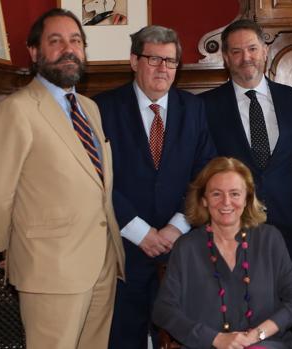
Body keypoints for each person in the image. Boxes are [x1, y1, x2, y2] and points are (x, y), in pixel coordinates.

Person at [0, 8, 125, 348]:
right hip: (49, 270)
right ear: (34, 52)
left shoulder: (90, 108)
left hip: (102, 261)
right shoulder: (17, 110)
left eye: (76, 41)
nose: (68, 49)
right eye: (55, 41)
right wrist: (6, 249)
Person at [93, 25, 216, 349]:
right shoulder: (101, 108)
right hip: (121, 248)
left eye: (171, 61)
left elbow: (204, 175)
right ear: (134, 60)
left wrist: (177, 226)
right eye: (154, 59)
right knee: (124, 337)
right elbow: (96, 177)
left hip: (181, 249)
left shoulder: (194, 108)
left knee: (181, 336)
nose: (163, 68)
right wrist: (139, 232)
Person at [199, 19, 292, 287]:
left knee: (290, 305)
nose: (246, 58)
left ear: (265, 52)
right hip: (232, 226)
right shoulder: (206, 106)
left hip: (290, 221)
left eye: (252, 49)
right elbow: (202, 164)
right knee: (237, 305)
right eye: (236, 51)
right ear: (225, 58)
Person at [152, 157, 292, 349]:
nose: (226, 202)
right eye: (216, 194)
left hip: (265, 344)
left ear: (247, 198)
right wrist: (215, 339)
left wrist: (258, 335)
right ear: (204, 200)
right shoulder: (186, 247)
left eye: (235, 194)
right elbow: (163, 309)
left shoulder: (269, 239)